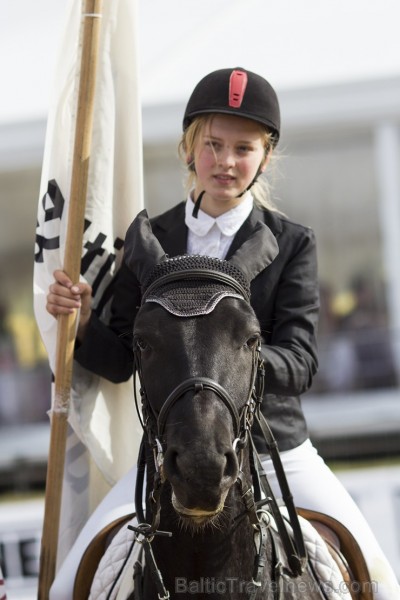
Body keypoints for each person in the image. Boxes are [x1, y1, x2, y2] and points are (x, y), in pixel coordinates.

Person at [47, 67, 400, 599]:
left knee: (379, 575)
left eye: (243, 148)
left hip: (274, 447)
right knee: (70, 578)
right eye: (212, 145)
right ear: (189, 146)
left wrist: (227, 358)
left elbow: (301, 362)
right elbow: (121, 361)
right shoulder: (150, 240)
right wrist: (79, 323)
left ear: (266, 155)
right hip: (169, 456)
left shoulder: (290, 243)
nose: (226, 162)